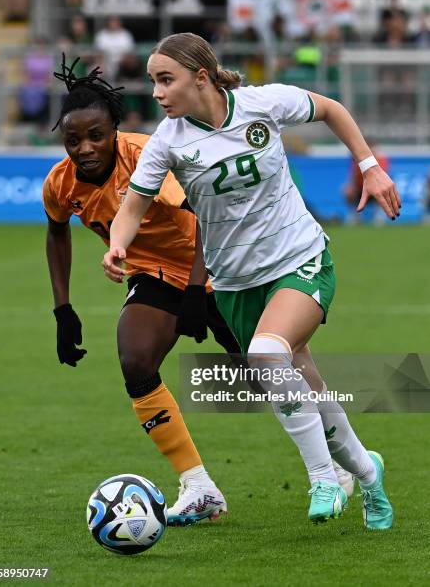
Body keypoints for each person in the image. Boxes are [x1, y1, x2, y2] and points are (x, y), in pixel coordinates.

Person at [103, 32, 401, 530]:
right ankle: (369, 475)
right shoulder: (167, 143)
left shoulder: (263, 104)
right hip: (237, 284)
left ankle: (323, 477)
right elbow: (131, 209)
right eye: (153, 81)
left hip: (299, 258)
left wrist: (369, 166)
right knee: (305, 385)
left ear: (201, 77)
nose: (156, 92)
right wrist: (117, 244)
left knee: (266, 355)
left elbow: (330, 108)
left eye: (165, 80)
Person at [43, 55, 242, 525]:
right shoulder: (60, 182)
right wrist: (62, 310)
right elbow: (57, 232)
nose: (85, 147)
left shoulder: (146, 157)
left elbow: (202, 223)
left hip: (219, 264)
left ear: (114, 128)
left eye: (96, 135)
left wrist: (198, 292)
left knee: (267, 373)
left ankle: (340, 459)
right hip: (153, 273)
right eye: (73, 139)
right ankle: (198, 487)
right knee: (135, 361)